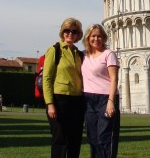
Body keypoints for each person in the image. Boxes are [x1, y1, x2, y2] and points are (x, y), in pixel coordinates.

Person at [43, 17, 85, 158]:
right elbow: (47, 78)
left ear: (78, 35)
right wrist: (50, 104)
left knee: (75, 140)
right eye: (67, 30)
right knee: (60, 140)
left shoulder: (79, 54)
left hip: (77, 101)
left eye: (74, 31)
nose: (70, 34)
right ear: (62, 32)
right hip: (59, 100)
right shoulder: (54, 50)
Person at [82, 24, 120, 158]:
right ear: (88, 38)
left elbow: (114, 78)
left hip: (105, 98)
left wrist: (111, 101)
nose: (96, 39)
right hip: (88, 100)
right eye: (93, 36)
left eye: (99, 36)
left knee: (105, 137)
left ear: (103, 38)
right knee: (92, 138)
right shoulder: (84, 55)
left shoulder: (109, 54)